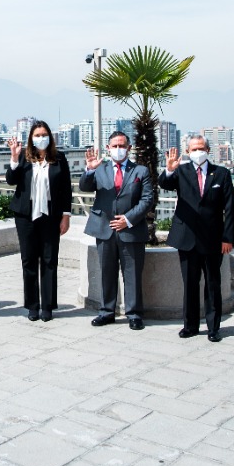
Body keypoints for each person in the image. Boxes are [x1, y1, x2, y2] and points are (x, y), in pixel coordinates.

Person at [159, 134, 234, 342]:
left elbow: (230, 208)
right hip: (187, 238)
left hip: (213, 239)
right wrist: (169, 169)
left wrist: (227, 237)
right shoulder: (181, 171)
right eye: (193, 149)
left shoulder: (221, 174)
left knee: (212, 283)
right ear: (188, 151)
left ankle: (213, 327)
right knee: (190, 283)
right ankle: (190, 326)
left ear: (208, 150)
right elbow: (164, 184)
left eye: (200, 148)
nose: (197, 152)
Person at [81, 132, 155, 330]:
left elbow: (147, 199)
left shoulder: (140, 171)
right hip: (104, 230)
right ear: (108, 148)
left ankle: (134, 314)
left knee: (132, 274)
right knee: (107, 272)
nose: (118, 149)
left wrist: (128, 219)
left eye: (122, 145)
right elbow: (85, 187)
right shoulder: (100, 168)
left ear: (129, 148)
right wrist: (89, 170)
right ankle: (106, 311)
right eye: (114, 146)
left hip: (131, 230)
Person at [5, 120, 72, 322]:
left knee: (50, 260)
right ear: (31, 138)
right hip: (26, 216)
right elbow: (11, 179)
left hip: (51, 216)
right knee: (29, 260)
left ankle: (48, 306)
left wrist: (66, 216)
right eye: (37, 135)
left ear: (49, 137)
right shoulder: (24, 158)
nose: (41, 138)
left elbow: (66, 189)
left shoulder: (59, 158)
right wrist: (14, 157)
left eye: (44, 134)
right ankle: (32, 305)